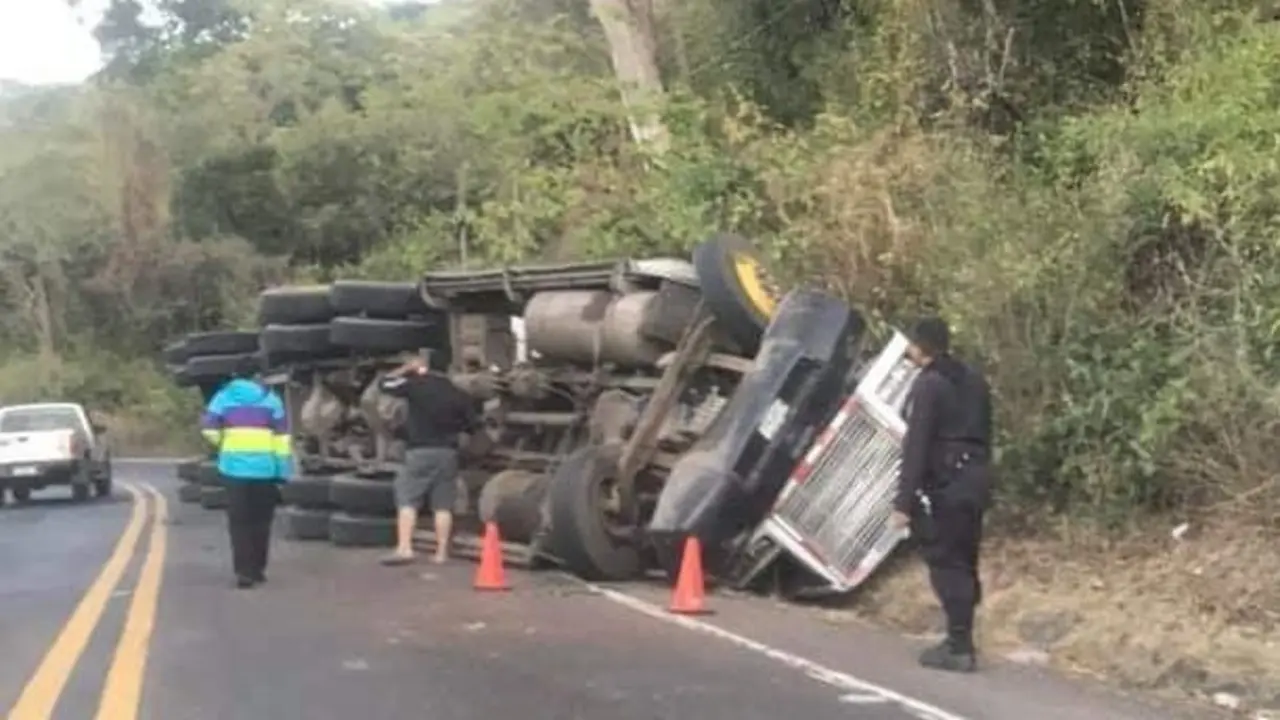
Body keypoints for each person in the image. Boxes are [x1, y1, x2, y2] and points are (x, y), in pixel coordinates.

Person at [889, 316, 993, 672]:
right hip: (977, 477)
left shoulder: (929, 385)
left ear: (922, 347)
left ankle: (958, 645)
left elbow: (916, 446)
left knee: (945, 559)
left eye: (912, 344)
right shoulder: (974, 379)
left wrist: (903, 502)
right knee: (965, 557)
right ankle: (961, 636)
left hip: (948, 482)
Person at [377, 353, 479, 566]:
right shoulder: (458, 393)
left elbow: (384, 384)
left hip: (419, 451)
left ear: (425, 367)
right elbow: (472, 425)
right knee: (443, 505)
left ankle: (405, 548)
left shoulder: (415, 385)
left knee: (408, 499)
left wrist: (406, 368)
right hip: (447, 453)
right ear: (448, 369)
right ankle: (441, 553)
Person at [200, 356, 292, 589]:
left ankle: (244, 572)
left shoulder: (223, 397)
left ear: (236, 375)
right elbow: (282, 439)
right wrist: (283, 470)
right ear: (257, 376)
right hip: (265, 469)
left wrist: (223, 443)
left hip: (233, 469)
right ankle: (258, 568)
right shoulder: (271, 400)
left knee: (239, 522)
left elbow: (208, 428)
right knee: (261, 521)